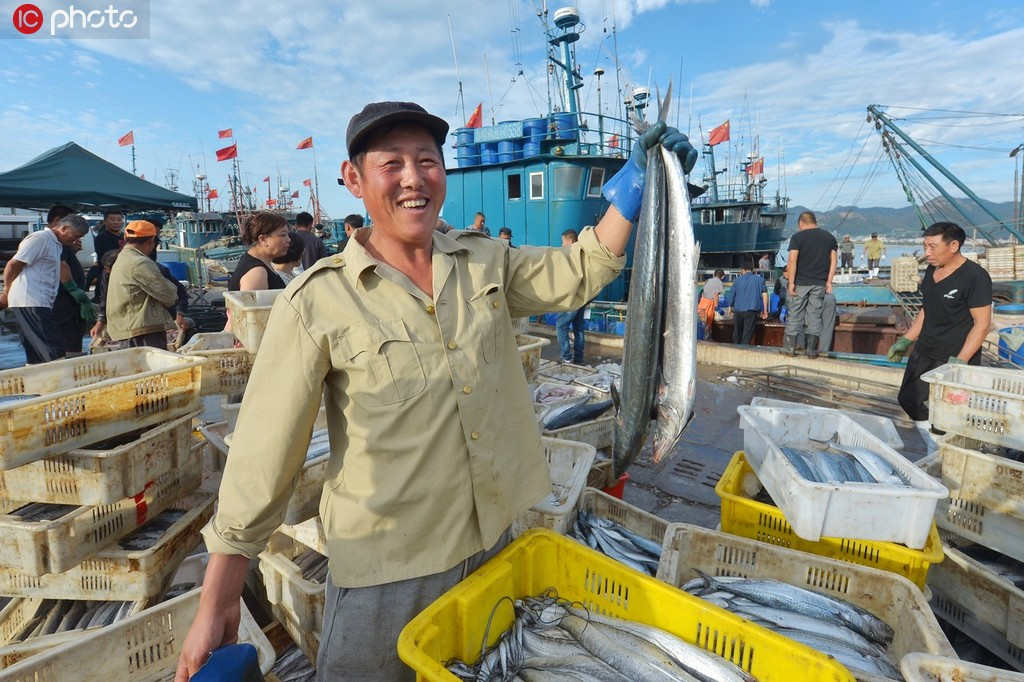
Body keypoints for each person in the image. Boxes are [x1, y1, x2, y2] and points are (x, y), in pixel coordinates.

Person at [175, 99, 697, 682]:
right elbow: (262, 460)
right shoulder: (316, 301)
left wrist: (634, 192)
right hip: (387, 571)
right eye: (390, 163)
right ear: (353, 180)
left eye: (427, 161)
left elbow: (579, 272)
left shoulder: (484, 262)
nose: (413, 178)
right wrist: (217, 599)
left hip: (495, 544)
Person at [888, 222, 991, 452]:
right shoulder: (931, 271)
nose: (927, 253)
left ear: (954, 245)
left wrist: (960, 362)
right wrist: (907, 339)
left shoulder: (975, 276)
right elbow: (927, 309)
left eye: (933, 247)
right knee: (910, 400)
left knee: (949, 413)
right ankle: (934, 446)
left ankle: (943, 453)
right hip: (925, 349)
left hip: (954, 356)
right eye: (925, 246)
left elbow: (982, 324)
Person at [1, 212, 89, 364]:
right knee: (53, 347)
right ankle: (60, 381)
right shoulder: (40, 238)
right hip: (31, 300)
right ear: (64, 228)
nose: (76, 240)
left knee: (35, 349)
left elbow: (61, 268)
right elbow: (13, 264)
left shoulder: (57, 244)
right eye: (74, 236)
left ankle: (37, 378)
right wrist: (6, 291)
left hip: (41, 301)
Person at [105, 221, 179, 349]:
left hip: (128, 326)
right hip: (141, 330)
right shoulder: (140, 262)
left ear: (125, 238)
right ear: (151, 240)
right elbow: (169, 295)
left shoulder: (123, 257)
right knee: (152, 367)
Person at [783, 211, 837, 358]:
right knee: (814, 315)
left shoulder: (797, 237)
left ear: (801, 223)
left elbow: (792, 261)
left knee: (795, 314)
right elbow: (834, 261)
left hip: (801, 282)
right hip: (819, 284)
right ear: (814, 221)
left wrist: (791, 282)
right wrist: (829, 281)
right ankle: (811, 350)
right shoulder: (829, 238)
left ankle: (790, 349)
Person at [227, 213, 290, 292]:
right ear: (263, 239)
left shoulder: (256, 262)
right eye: (283, 235)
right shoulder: (257, 273)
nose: (289, 240)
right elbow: (251, 303)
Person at [54, 234, 95, 355]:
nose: (79, 241)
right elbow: (62, 267)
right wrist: (76, 292)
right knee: (68, 341)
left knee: (75, 340)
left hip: (73, 306)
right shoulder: (60, 248)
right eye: (75, 237)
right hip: (65, 306)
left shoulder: (68, 251)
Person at [556, 229, 586, 363]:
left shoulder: (572, 254)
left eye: (563, 242)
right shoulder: (584, 252)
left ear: (570, 241)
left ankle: (566, 357)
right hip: (584, 295)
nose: (562, 245)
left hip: (573, 296)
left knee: (561, 325)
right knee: (578, 326)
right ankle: (579, 358)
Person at [725, 258, 768, 345]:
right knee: (747, 335)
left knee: (737, 333)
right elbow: (765, 295)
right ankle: (743, 351)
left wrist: (730, 307)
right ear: (752, 270)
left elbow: (732, 294)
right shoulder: (760, 280)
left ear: (743, 270)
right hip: (751, 311)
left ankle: (736, 350)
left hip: (738, 310)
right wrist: (765, 311)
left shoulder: (737, 280)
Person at [86, 210, 124, 292]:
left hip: (122, 273)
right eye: (112, 219)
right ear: (105, 222)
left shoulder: (125, 236)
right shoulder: (102, 237)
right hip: (106, 274)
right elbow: (106, 258)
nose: (116, 222)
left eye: (119, 220)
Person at [698, 269, 725, 337]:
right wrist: (716, 306)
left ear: (714, 275)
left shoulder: (708, 280)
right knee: (708, 322)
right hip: (710, 303)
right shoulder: (719, 282)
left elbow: (702, 291)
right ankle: (707, 337)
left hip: (702, 301)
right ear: (722, 277)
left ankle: (701, 337)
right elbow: (716, 294)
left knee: (701, 321)